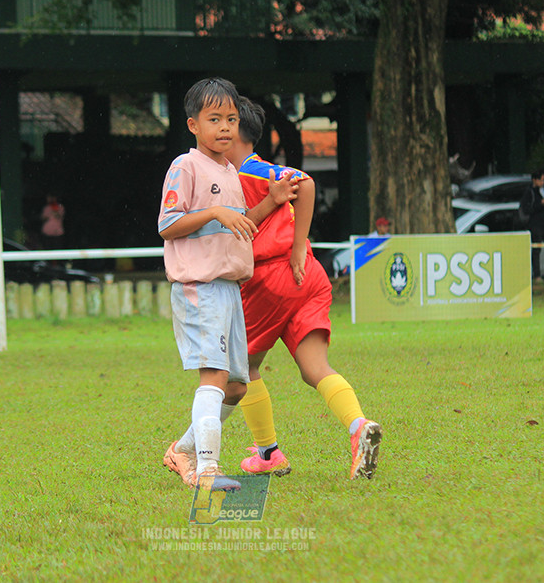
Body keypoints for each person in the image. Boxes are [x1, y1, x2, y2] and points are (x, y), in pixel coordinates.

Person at [225, 96, 382, 481]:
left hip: (272, 277)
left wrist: (295, 246)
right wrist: (301, 252)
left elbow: (305, 182)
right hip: (307, 276)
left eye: (222, 126)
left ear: (236, 134)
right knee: (316, 369)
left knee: (242, 370)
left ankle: (268, 453)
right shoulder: (234, 175)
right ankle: (358, 426)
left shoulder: (252, 170)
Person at [158, 77, 258, 491]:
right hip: (200, 287)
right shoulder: (185, 166)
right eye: (214, 118)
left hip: (229, 289)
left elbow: (240, 221)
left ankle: (181, 450)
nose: (224, 127)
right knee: (215, 376)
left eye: (231, 119)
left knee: (235, 386)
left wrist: (273, 200)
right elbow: (167, 225)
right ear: (192, 124)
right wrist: (215, 211)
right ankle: (206, 470)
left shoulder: (230, 170)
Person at [519, 169, 544, 280]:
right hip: (536, 226)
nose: (542, 183)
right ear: (534, 180)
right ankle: (537, 275)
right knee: (536, 251)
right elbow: (527, 209)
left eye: (543, 180)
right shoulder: (530, 192)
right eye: (540, 180)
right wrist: (540, 204)